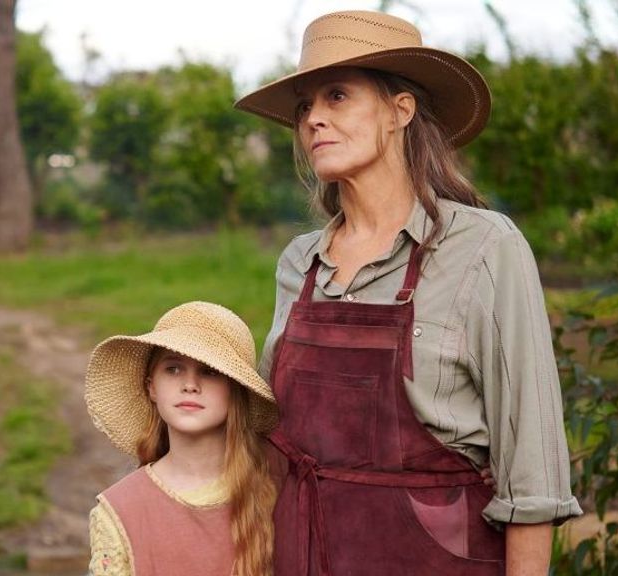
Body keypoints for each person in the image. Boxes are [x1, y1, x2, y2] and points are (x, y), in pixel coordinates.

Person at [234, 9, 582, 576]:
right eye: (304, 107)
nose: (313, 119)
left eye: (337, 96)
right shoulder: (299, 263)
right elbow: (268, 444)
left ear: (401, 111)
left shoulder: (483, 248)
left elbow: (533, 475)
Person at [84, 301, 280, 576]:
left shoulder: (272, 490)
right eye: (173, 369)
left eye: (210, 371)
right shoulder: (119, 511)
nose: (190, 385)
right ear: (151, 387)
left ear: (236, 391)